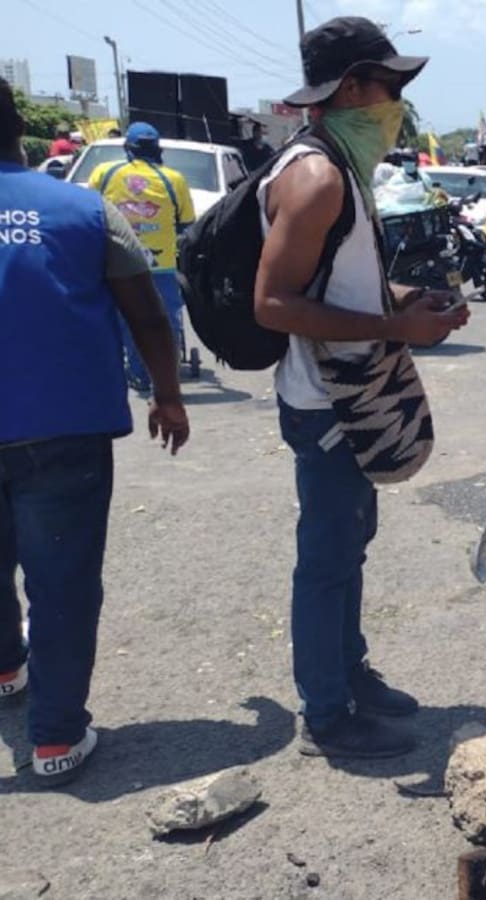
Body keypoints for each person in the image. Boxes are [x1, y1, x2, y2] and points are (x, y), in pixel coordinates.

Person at [255, 16, 469, 759]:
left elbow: (345, 286)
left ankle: (349, 670)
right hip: (327, 403)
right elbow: (273, 302)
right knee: (328, 555)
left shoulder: (340, 169)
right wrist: (396, 331)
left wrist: (409, 300)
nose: (397, 102)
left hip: (349, 392)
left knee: (351, 544)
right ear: (350, 88)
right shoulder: (315, 177)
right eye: (389, 86)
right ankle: (326, 713)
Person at [0, 77, 190, 785]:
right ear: (18, 127)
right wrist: (168, 396)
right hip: (63, 426)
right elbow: (145, 315)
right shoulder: (86, 209)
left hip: (56, 427)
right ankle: (55, 738)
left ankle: (5, 672)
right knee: (63, 582)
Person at [88, 122, 196, 392]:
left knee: (127, 318)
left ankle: (139, 373)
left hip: (117, 261)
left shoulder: (104, 172)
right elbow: (186, 221)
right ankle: (166, 376)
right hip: (161, 263)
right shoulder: (174, 179)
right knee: (167, 318)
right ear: (157, 149)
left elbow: (89, 213)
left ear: (128, 148)